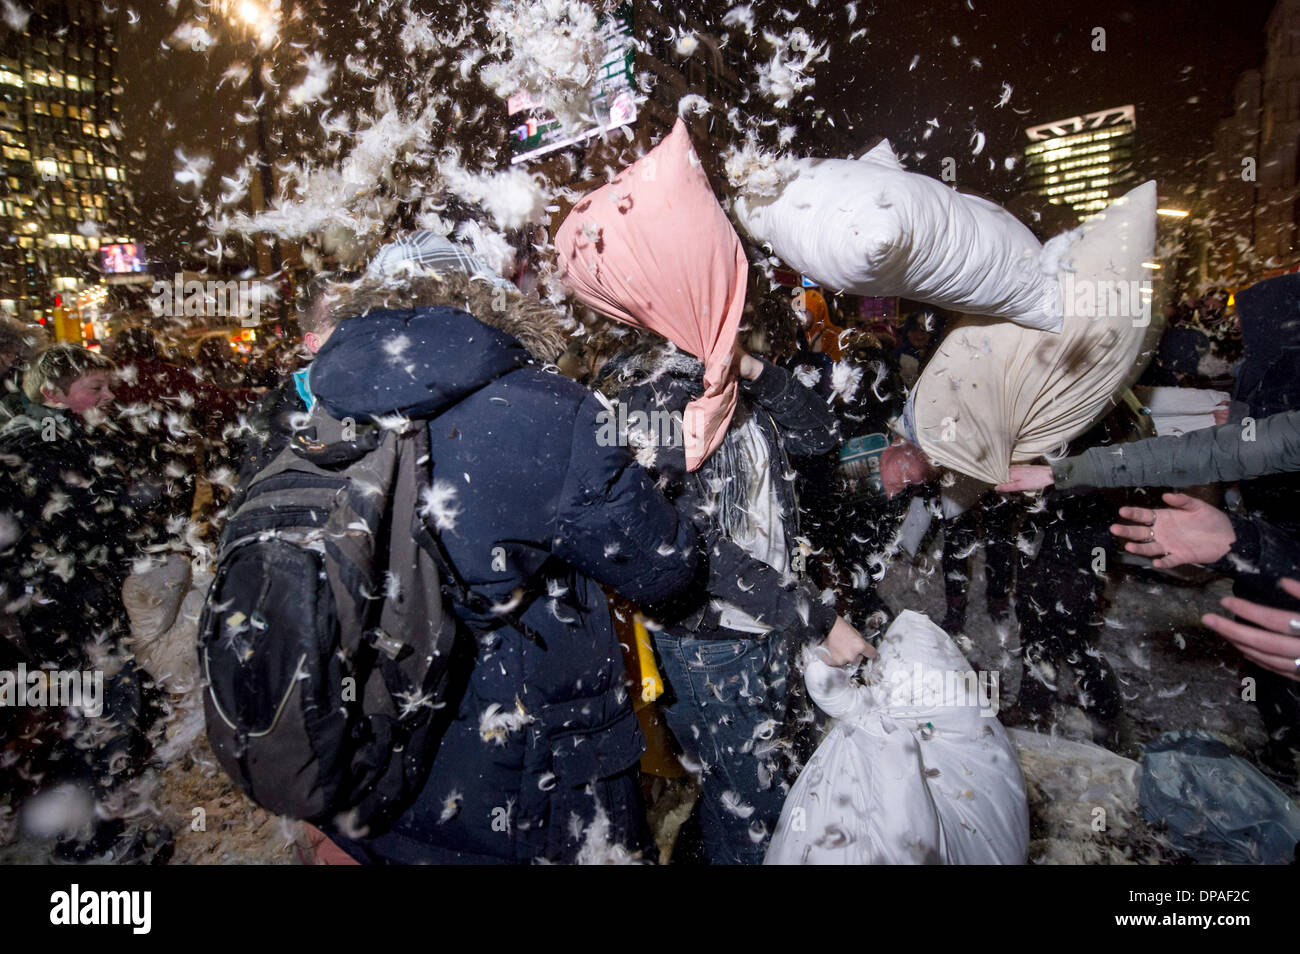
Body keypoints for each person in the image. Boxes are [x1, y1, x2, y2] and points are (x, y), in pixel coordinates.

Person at [304, 241, 709, 865]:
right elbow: (666, 568)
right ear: (489, 300)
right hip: (535, 788)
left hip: (372, 777)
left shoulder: (315, 412)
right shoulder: (549, 410)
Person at [556, 119, 873, 864]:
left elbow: (820, 436)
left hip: (767, 622)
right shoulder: (649, 399)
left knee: (763, 788)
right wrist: (816, 619)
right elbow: (696, 548)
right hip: (712, 642)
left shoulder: (719, 374)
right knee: (754, 807)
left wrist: (755, 371)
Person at [0, 345, 170, 861]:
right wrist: (134, 507)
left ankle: (95, 833)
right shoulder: (42, 445)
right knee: (99, 720)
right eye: (94, 388)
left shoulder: (53, 437)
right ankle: (92, 847)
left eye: (108, 385)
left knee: (94, 718)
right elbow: (85, 522)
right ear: (52, 394)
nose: (109, 396)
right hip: (68, 612)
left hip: (66, 609)